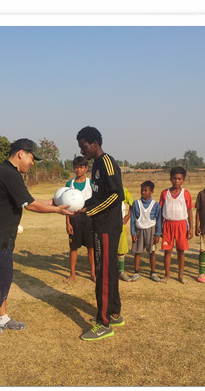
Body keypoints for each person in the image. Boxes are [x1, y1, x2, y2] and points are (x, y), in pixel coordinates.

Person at [0, 138, 73, 338]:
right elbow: (29, 205)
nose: (32, 163)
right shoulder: (8, 173)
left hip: (2, 238)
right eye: (32, 158)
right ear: (20, 154)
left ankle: (2, 317)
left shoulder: (8, 173)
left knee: (4, 277)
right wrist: (56, 210)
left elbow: (27, 198)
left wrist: (49, 202)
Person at [77, 126, 125, 341]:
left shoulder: (107, 162)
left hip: (107, 227)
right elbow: (99, 196)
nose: (82, 151)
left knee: (103, 273)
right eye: (80, 147)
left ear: (95, 143)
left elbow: (117, 195)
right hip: (102, 224)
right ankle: (114, 313)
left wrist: (91, 211)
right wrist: (83, 205)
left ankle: (103, 323)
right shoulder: (96, 164)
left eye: (84, 147)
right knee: (110, 270)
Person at [159, 166, 194, 284]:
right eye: (174, 178)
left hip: (181, 225)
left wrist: (191, 228)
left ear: (183, 180)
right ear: (170, 179)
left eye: (179, 179)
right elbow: (161, 211)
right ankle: (167, 274)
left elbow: (189, 211)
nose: (176, 181)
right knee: (167, 251)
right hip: (168, 225)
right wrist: (160, 227)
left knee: (181, 251)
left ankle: (181, 275)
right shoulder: (165, 193)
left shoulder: (186, 194)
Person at [64, 156, 95, 284]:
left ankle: (93, 273)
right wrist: (68, 223)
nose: (78, 170)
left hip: (89, 218)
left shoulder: (91, 183)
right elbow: (65, 205)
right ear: (73, 168)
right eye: (76, 167)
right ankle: (72, 274)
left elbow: (95, 203)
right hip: (74, 218)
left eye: (81, 167)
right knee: (73, 248)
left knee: (91, 247)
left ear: (86, 168)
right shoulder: (69, 184)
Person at [130, 180, 162, 282]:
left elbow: (159, 220)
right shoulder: (136, 204)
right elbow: (133, 219)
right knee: (137, 252)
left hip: (151, 231)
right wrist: (133, 233)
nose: (143, 192)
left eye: (146, 190)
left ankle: (153, 272)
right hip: (139, 230)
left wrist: (157, 234)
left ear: (151, 192)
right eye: (142, 190)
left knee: (152, 252)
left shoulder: (155, 205)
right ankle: (136, 272)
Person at [118, 187, 134, 281]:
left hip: (120, 225)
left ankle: (121, 271)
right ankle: (109, 271)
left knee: (121, 249)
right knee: (108, 249)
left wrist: (128, 216)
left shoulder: (123, 190)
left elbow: (132, 203)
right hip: (107, 224)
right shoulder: (105, 189)